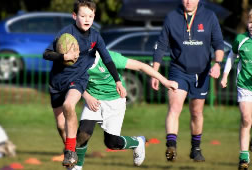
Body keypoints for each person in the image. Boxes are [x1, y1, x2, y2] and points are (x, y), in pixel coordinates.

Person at [43, 0, 126, 167]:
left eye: (90, 16)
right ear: (75, 16)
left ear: (94, 16)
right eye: (83, 16)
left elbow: (107, 59)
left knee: (69, 105)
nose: (87, 19)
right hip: (57, 82)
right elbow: (46, 54)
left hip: (78, 80)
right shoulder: (66, 33)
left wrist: (117, 80)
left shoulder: (95, 36)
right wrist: (63, 57)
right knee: (61, 126)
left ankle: (70, 152)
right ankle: (71, 151)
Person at [66, 50, 178, 170]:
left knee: (112, 143)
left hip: (115, 101)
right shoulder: (76, 61)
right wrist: (88, 97)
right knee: (83, 133)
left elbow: (141, 66)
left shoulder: (109, 57)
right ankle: (77, 167)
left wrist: (165, 81)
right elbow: (74, 82)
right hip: (93, 99)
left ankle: (138, 142)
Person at [151, 0, 224, 162]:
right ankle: (171, 146)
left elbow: (218, 43)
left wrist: (218, 64)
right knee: (174, 107)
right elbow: (161, 45)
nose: (188, 1)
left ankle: (195, 149)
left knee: (196, 112)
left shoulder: (209, 16)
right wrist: (154, 72)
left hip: (202, 73)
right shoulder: (172, 17)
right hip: (178, 71)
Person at [220, 9, 252, 170]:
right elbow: (232, 56)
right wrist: (225, 75)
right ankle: (243, 158)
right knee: (246, 119)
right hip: (245, 86)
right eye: (250, 21)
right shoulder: (241, 39)